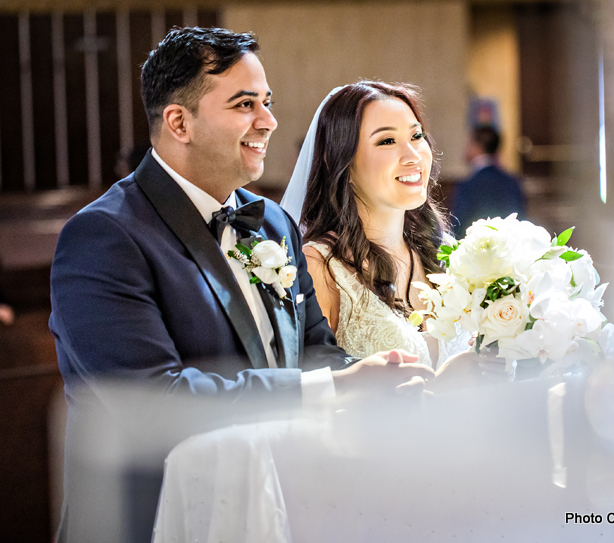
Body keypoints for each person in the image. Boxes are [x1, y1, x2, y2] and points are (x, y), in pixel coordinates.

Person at [49, 28, 434, 542]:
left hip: (274, 508)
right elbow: (156, 401)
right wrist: (335, 387)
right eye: (245, 104)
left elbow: (313, 348)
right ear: (179, 122)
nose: (268, 121)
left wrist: (378, 377)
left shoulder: (272, 223)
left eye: (267, 102)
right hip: (153, 521)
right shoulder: (105, 237)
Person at [280, 83, 505, 387]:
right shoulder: (321, 268)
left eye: (416, 136)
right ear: (343, 162)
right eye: (387, 141)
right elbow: (317, 398)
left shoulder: (447, 254)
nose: (413, 155)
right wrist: (442, 387)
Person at [451, 124, 525, 237]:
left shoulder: (469, 185)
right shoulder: (512, 181)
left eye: (469, 143)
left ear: (477, 146)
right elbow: (520, 219)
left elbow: (458, 225)